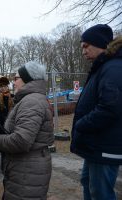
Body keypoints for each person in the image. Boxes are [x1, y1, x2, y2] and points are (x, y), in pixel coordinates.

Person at [0, 61, 54, 199]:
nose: (13, 82)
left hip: (27, 170)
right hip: (26, 167)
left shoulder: (31, 102)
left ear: (27, 79)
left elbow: (21, 141)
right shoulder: (31, 99)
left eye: (16, 78)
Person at [70, 24, 122, 200]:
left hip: (105, 145)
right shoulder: (103, 66)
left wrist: (81, 124)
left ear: (100, 43)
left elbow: (110, 107)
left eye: (86, 46)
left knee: (101, 193)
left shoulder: (113, 67)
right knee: (88, 182)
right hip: (96, 144)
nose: (83, 51)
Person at [0, 77, 14, 172]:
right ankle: (3, 167)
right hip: (2, 126)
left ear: (8, 86)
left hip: (12, 126)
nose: (3, 88)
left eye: (5, 86)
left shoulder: (13, 97)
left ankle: (12, 167)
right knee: (4, 148)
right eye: (1, 86)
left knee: (12, 147)